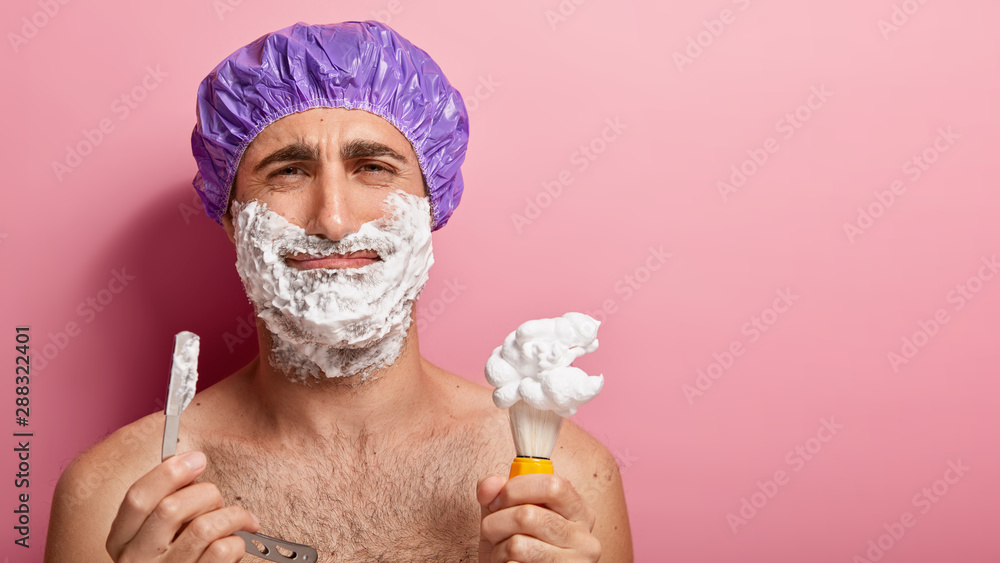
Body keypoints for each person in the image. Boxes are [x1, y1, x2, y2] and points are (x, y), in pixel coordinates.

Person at [45, 20, 632, 562]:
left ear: (433, 209)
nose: (333, 219)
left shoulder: (563, 481)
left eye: (373, 167)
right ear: (230, 216)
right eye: (288, 171)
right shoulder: (116, 495)